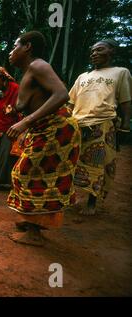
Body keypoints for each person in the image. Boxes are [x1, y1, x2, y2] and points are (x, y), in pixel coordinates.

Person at [6, 31, 81, 246]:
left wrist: (26, 121)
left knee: (28, 174)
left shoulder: (38, 65)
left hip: (57, 129)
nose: (11, 52)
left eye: (15, 46)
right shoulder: (30, 71)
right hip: (44, 129)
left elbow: (61, 94)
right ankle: (32, 220)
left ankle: (35, 231)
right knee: (32, 173)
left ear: (27, 47)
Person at [68, 39, 131, 215]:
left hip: (102, 123)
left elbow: (126, 101)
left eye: (100, 50)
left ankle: (91, 203)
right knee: (70, 161)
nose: (94, 53)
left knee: (98, 164)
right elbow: (70, 102)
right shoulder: (82, 76)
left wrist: (125, 125)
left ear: (111, 51)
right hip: (77, 124)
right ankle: (69, 197)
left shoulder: (120, 73)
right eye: (92, 51)